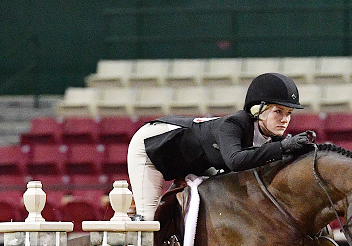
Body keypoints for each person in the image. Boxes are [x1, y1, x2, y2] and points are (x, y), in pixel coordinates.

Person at [127, 72, 315, 220]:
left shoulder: (271, 138)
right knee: (149, 217)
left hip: (195, 162)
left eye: (289, 113)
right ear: (258, 111)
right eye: (278, 112)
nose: (285, 120)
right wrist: (283, 148)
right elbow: (235, 161)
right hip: (153, 146)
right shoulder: (233, 124)